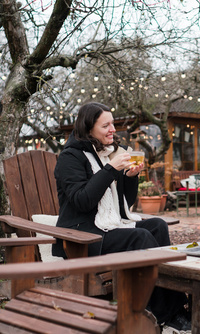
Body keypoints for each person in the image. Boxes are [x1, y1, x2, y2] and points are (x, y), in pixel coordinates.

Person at [53, 102, 190, 334]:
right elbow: (82, 201)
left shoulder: (108, 154)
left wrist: (130, 176)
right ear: (88, 129)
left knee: (157, 225)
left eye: (113, 124)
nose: (112, 130)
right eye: (105, 125)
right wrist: (111, 170)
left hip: (107, 227)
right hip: (84, 237)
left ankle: (175, 309)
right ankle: (165, 315)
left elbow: (124, 203)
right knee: (140, 237)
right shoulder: (70, 158)